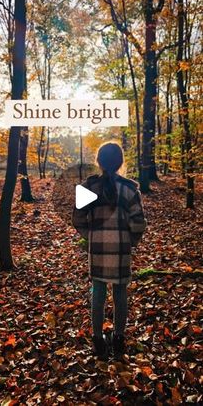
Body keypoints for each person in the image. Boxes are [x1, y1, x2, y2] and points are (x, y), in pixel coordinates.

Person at [72, 142, 147, 360]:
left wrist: (91, 236)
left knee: (98, 291)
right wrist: (130, 240)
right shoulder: (130, 189)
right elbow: (138, 222)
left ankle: (97, 339)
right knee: (120, 292)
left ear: (99, 162)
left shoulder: (88, 188)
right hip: (121, 248)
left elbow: (77, 219)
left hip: (97, 249)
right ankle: (119, 337)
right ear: (121, 162)